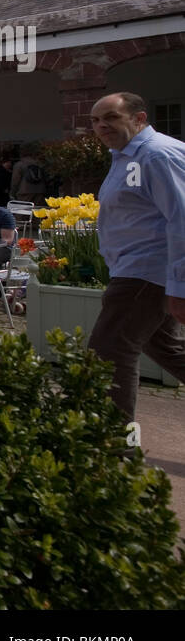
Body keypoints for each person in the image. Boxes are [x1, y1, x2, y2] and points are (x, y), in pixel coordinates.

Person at [87, 92, 185, 420]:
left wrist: (180, 286)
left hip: (146, 272)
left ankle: (115, 444)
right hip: (140, 270)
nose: (101, 126)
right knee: (165, 348)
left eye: (111, 118)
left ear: (139, 119)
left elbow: (182, 219)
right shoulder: (128, 156)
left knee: (110, 352)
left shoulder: (156, 155)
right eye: (96, 121)